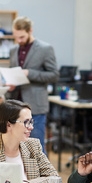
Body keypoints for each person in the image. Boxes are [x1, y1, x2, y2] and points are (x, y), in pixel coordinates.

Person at [8, 16, 59, 152]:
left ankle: (42, 174)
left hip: (35, 107)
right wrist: (11, 83)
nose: (19, 41)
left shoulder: (45, 48)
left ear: (30, 31)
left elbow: (54, 75)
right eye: (16, 37)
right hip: (15, 107)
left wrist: (29, 73)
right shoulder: (13, 50)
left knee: (36, 150)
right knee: (14, 149)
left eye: (22, 37)